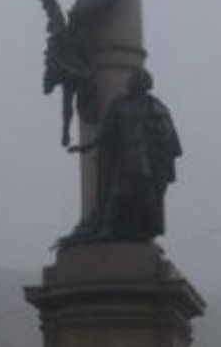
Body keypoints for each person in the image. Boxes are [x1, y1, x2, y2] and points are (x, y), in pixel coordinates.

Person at [65, 67, 180, 243]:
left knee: (146, 200)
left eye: (134, 80)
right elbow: (105, 133)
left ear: (143, 84)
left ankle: (143, 233)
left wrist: (162, 159)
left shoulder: (156, 107)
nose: (129, 83)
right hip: (124, 162)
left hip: (148, 164)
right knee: (116, 196)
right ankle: (107, 229)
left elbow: (169, 139)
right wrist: (84, 148)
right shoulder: (120, 104)